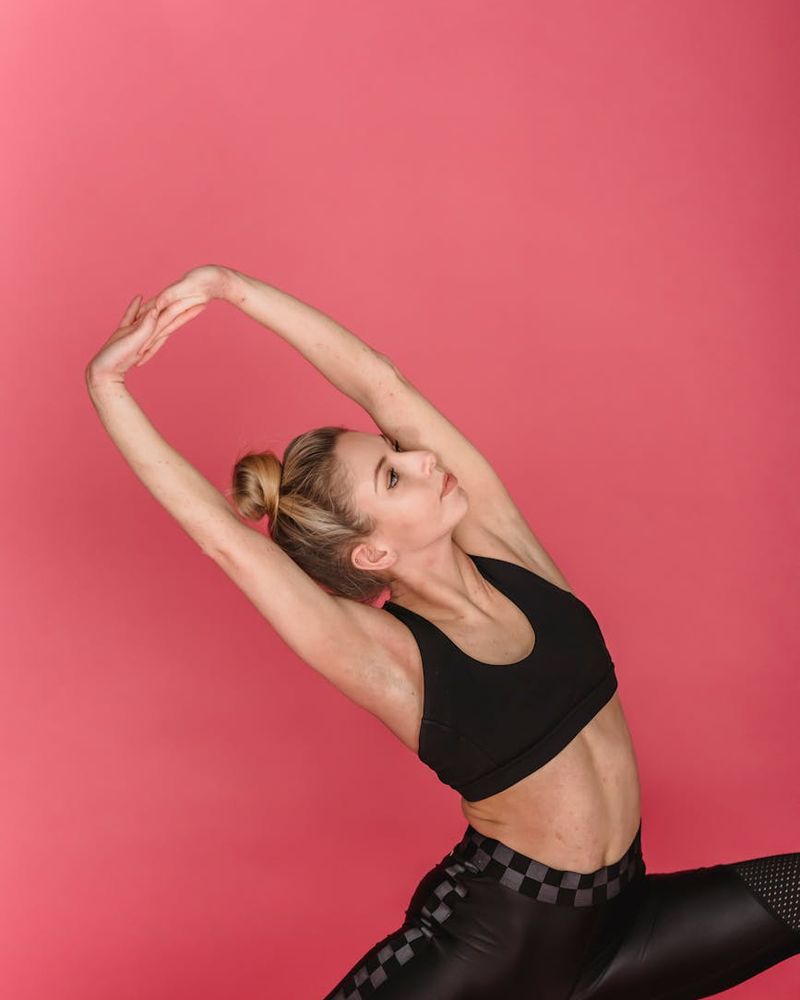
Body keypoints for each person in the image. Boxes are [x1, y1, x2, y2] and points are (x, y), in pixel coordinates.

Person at [85, 265, 800, 999]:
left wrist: (233, 289)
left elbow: (382, 385)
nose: (423, 459)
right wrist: (108, 388)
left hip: (626, 926)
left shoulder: (506, 549)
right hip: (486, 950)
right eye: (394, 478)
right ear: (372, 555)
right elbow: (227, 543)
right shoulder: (388, 658)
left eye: (400, 456)